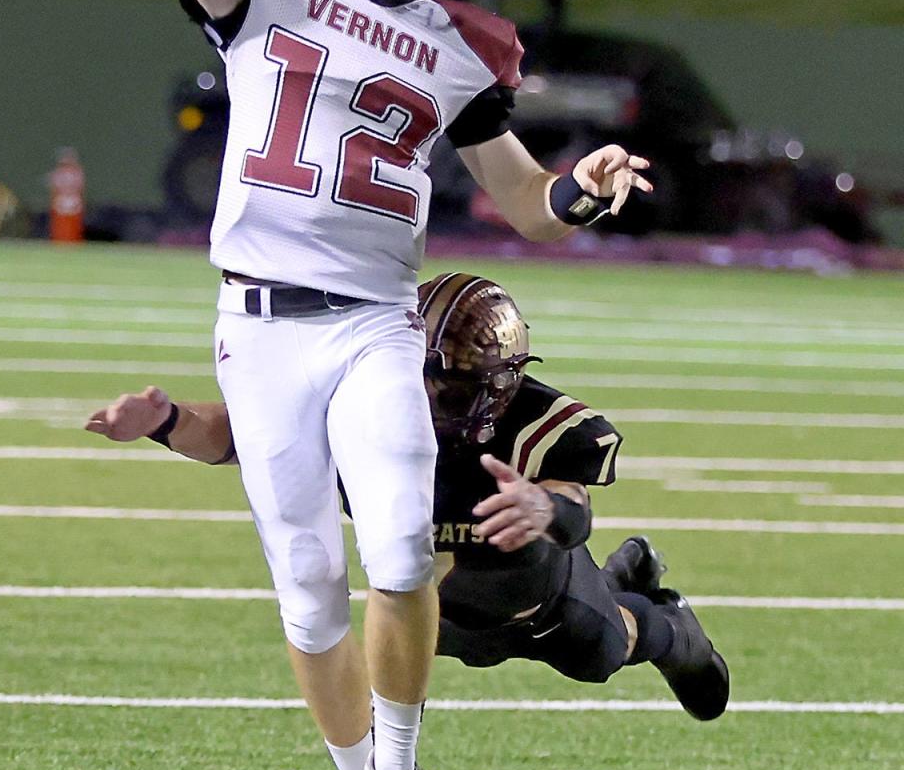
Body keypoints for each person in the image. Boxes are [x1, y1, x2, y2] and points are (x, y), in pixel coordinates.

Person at [88, 0, 653, 770]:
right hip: (261, 327)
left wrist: (583, 190)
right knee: (309, 588)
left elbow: (521, 201)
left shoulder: (464, 41)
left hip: (375, 322)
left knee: (398, 546)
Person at [88, 272, 728, 716]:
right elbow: (239, 434)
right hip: (430, 615)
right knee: (378, 688)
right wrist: (167, 423)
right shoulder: (360, 404)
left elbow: (574, 507)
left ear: (503, 385)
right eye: (419, 378)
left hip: (541, 601)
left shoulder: (538, 426)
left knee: (605, 653)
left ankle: (669, 622)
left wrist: (543, 507)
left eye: (450, 386)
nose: (429, 400)